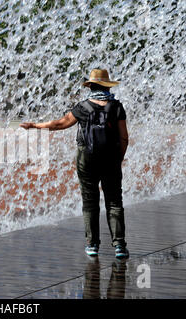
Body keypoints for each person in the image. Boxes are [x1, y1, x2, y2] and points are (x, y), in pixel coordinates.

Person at [20, 69, 129, 259]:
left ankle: (92, 244)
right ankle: (119, 245)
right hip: (111, 158)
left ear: (91, 86)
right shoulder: (117, 107)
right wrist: (118, 159)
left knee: (89, 200)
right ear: (107, 86)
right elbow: (124, 138)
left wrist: (35, 126)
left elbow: (60, 124)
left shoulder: (83, 107)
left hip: (86, 157)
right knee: (114, 201)